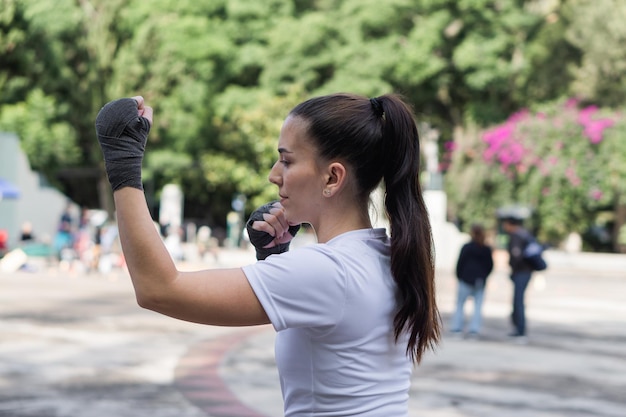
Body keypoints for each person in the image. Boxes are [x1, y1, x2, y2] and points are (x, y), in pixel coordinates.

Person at [95, 93, 440, 416]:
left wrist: (123, 164)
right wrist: (275, 259)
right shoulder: (383, 256)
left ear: (333, 178)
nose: (274, 175)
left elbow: (159, 289)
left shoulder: (327, 271)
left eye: (287, 161)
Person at [449, 223, 493, 338]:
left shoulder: (467, 247)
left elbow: (460, 263)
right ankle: (474, 329)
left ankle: (457, 328)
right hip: (479, 281)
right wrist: (483, 277)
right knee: (477, 306)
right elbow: (490, 265)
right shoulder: (486, 249)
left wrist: (459, 276)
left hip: (465, 279)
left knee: (460, 304)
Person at [501, 216, 535, 342]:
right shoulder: (524, 234)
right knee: (518, 301)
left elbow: (516, 256)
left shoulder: (516, 236)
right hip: (525, 272)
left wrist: (513, 269)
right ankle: (518, 329)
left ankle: (520, 331)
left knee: (518, 301)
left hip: (521, 273)